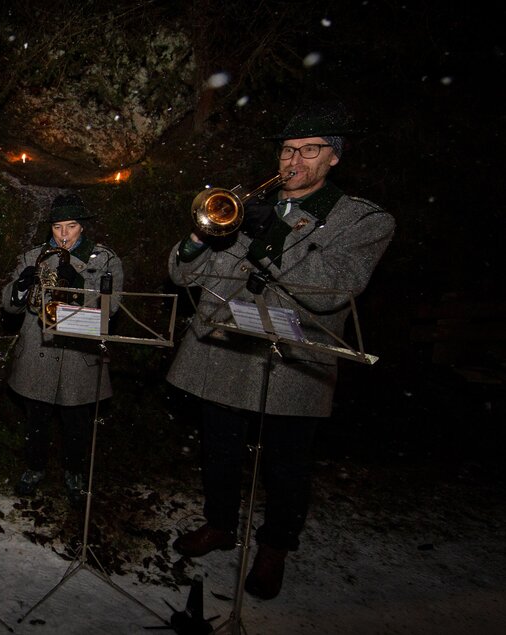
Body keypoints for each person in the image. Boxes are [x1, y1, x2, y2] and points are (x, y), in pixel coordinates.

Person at [166, 102, 395, 600]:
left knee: (287, 463)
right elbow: (182, 274)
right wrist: (198, 238)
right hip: (222, 345)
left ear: (334, 157)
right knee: (219, 449)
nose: (295, 160)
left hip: (293, 356)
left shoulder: (360, 219)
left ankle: (275, 547)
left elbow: (337, 285)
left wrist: (269, 238)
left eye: (310, 151)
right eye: (289, 149)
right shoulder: (243, 204)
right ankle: (220, 524)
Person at [1, 193, 125, 508]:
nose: (64, 235)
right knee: (36, 419)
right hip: (38, 350)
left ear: (81, 227)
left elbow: (110, 310)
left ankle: (73, 472)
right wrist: (20, 287)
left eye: (71, 226)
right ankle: (35, 467)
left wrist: (79, 286)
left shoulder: (105, 260)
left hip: (78, 354)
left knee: (76, 422)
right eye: (58, 227)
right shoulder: (34, 256)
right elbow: (9, 305)